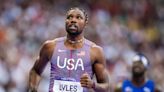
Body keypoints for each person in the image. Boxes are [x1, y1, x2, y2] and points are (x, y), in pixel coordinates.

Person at [28, 7, 109, 92]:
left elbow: (106, 87)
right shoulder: (50, 46)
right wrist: (32, 89)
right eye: (69, 17)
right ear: (65, 22)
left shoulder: (95, 51)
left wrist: (93, 84)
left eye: (78, 17)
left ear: (85, 23)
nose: (73, 20)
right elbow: (35, 71)